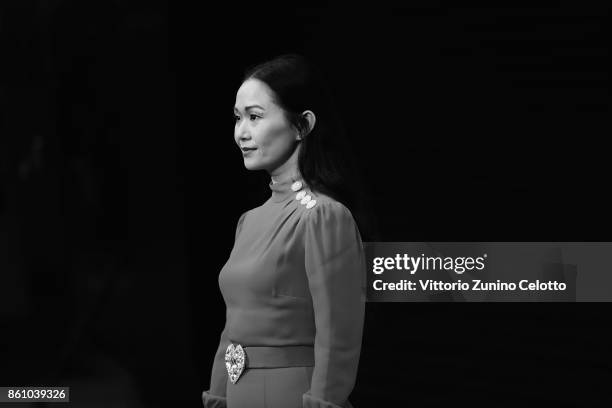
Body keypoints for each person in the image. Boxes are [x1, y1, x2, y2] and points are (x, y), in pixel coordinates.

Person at [201, 53, 366, 408]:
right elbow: (234, 328)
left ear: (301, 125)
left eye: (255, 117)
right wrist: (217, 396)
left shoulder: (324, 216)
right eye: (237, 118)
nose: (241, 132)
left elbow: (339, 335)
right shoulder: (249, 221)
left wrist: (323, 402)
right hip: (238, 394)